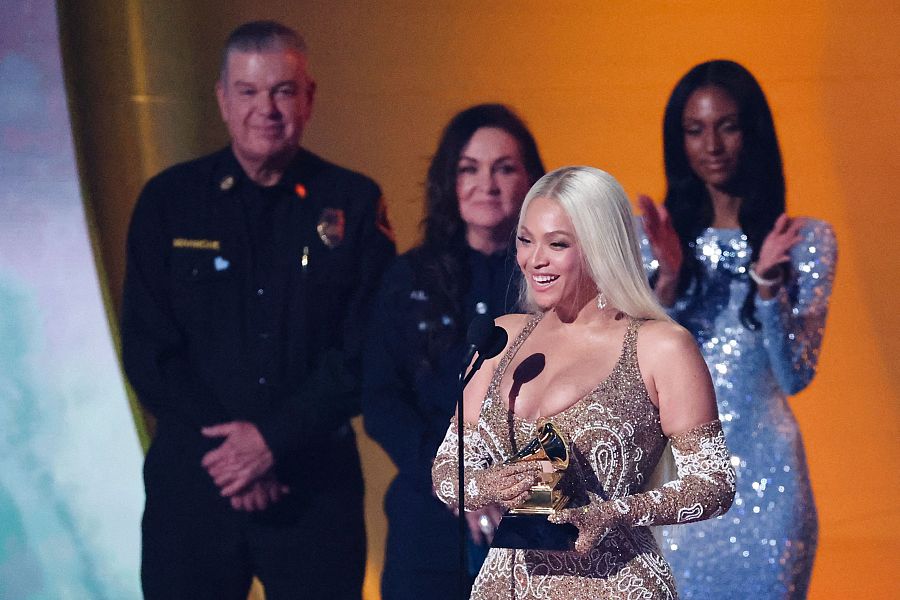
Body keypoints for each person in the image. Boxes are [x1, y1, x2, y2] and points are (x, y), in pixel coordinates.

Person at [121, 20, 395, 600]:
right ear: (223, 99)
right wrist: (234, 454)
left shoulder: (352, 202)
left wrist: (271, 440)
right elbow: (149, 352)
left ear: (309, 97)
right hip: (194, 490)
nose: (265, 108)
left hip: (313, 489)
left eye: (282, 91)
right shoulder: (168, 202)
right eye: (248, 91)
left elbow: (367, 351)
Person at [431, 166, 736, 598]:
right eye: (525, 239)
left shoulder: (661, 347)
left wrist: (615, 512)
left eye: (557, 244)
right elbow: (447, 471)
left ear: (600, 247)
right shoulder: (500, 339)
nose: (534, 259)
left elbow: (715, 482)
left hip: (617, 585)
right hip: (506, 586)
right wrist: (486, 485)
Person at [637, 60, 836, 598]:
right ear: (678, 140)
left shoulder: (804, 241)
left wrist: (768, 286)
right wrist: (670, 280)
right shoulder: (653, 240)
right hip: (680, 483)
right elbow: (635, 375)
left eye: (727, 125)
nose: (713, 145)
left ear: (753, 130)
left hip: (770, 489)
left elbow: (795, 376)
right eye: (695, 129)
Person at [362, 104, 545, 599]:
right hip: (429, 518)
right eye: (470, 168)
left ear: (532, 181)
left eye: (505, 168)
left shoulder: (562, 281)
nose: (487, 185)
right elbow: (381, 400)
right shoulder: (408, 278)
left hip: (537, 517)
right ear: (450, 179)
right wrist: (455, 481)